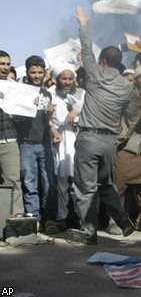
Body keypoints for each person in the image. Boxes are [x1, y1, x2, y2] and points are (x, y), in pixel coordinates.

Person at [73, 6, 135, 245]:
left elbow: (86, 47)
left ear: (105, 61)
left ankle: (90, 232)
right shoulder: (126, 86)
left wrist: (83, 23)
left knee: (86, 188)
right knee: (105, 184)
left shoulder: (95, 74)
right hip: (110, 141)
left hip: (89, 138)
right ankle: (122, 219)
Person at [107, 65, 141, 235]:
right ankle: (114, 221)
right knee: (119, 186)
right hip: (126, 148)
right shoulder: (129, 96)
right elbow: (136, 116)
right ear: (135, 79)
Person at [14, 55, 60, 234]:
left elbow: (46, 121)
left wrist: (50, 118)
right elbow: (16, 119)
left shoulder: (47, 94)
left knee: (50, 182)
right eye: (33, 72)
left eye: (40, 72)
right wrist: (27, 105)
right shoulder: (20, 91)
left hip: (45, 143)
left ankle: (50, 219)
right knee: (30, 183)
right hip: (26, 144)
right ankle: (34, 219)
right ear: (27, 73)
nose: (36, 75)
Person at [48, 63, 85, 231]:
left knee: (78, 182)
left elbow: (89, 114)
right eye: (64, 78)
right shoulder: (49, 95)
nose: (67, 82)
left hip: (77, 139)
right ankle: (61, 217)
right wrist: (52, 126)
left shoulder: (82, 94)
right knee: (61, 181)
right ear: (57, 80)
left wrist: (76, 112)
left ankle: (81, 218)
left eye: (70, 78)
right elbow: (46, 118)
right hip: (59, 140)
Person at [0, 50, 23, 215]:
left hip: (9, 140)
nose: (5, 67)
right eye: (2, 64)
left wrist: (28, 105)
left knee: (14, 182)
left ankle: (17, 225)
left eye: (8, 64)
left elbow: (20, 120)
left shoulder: (15, 87)